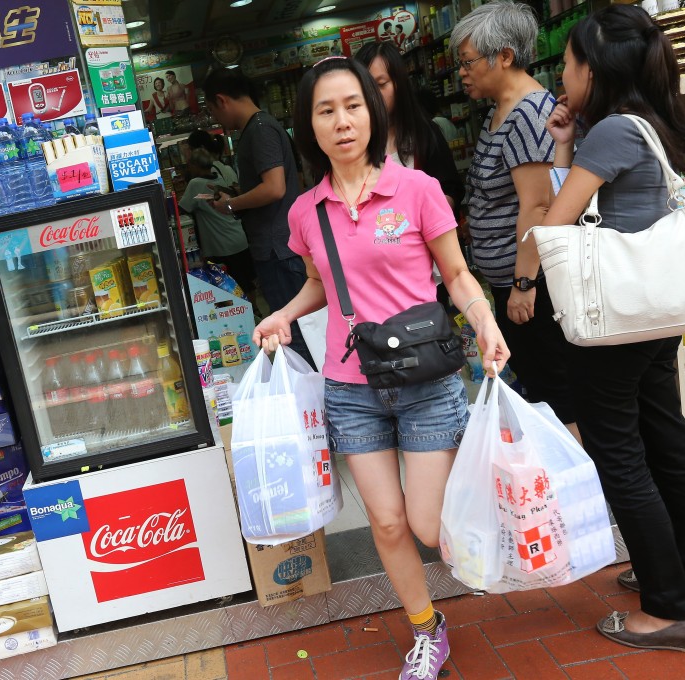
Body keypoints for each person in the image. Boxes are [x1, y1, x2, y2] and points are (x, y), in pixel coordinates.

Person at [254, 56, 509, 680]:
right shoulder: (305, 212)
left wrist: (484, 322)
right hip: (350, 389)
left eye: (353, 106)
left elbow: (455, 273)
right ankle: (427, 629)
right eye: (326, 110)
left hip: (426, 383)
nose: (342, 121)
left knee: (426, 523)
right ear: (308, 127)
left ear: (373, 111)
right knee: (388, 523)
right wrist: (282, 314)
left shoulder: (417, 190)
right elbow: (320, 286)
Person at [542, 4, 685, 652]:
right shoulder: (664, 120)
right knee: (667, 436)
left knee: (619, 454)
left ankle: (666, 609)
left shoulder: (612, 131)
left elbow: (557, 220)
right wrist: (566, 138)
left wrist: (526, 282)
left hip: (617, 314)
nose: (562, 72)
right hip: (660, 306)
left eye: (567, 62)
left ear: (594, 68)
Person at [450, 0, 578, 438]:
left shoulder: (527, 115)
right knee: (539, 386)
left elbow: (537, 207)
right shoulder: (499, 111)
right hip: (510, 281)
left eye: (467, 62)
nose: (461, 72)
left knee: (555, 390)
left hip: (531, 286)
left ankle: (578, 486)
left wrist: (524, 284)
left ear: (503, 56)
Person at [202, 67, 315, 367]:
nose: (216, 119)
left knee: (295, 332)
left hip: (279, 249)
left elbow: (275, 188)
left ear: (221, 100)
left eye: (212, 110)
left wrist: (232, 204)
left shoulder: (260, 129)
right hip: (277, 246)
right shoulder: (261, 127)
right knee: (297, 329)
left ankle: (313, 401)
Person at [355, 41, 463, 212]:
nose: (372, 95)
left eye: (381, 85)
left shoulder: (425, 133)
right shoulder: (350, 141)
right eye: (365, 87)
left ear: (399, 85)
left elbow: (451, 190)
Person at [178, 145, 260, 313]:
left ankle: (241, 318)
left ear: (194, 165)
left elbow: (181, 208)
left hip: (221, 245)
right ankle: (255, 312)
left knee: (227, 286)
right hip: (239, 239)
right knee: (246, 283)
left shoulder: (195, 184)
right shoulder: (220, 179)